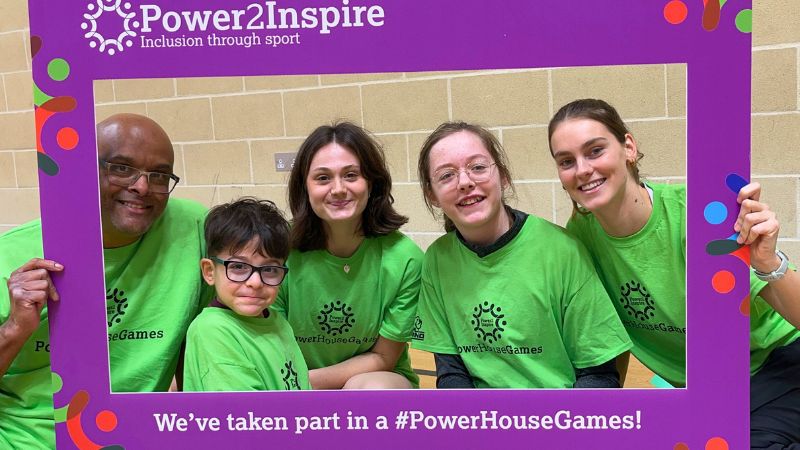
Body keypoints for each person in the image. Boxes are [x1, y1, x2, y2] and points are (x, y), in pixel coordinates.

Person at [548, 99, 800, 444]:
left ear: (628, 148)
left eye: (595, 151)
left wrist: (767, 262)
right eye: (566, 161)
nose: (582, 169)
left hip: (776, 364)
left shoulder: (698, 213)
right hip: (703, 394)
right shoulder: (580, 236)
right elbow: (608, 337)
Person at [0, 113, 212, 448]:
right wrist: (14, 327)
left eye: (159, 175)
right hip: (31, 439)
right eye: (122, 168)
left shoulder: (193, 229)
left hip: (137, 436)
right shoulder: (12, 254)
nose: (142, 187)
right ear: (84, 169)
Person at [411, 121, 632, 389]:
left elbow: (599, 376)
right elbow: (451, 375)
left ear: (503, 176)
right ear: (432, 195)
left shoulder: (563, 250)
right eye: (446, 175)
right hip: (481, 415)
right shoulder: (438, 259)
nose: (465, 182)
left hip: (560, 412)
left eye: (478, 167)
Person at [272, 121, 422, 389]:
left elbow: (383, 357)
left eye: (351, 175)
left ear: (371, 182)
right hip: (290, 380)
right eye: (323, 178)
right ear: (304, 187)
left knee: (370, 391)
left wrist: (304, 384)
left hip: (370, 380)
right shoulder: (278, 249)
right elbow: (272, 345)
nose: (339, 188)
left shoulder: (405, 259)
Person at [183, 197, 309, 392]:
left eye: (270, 269)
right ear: (210, 271)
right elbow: (243, 409)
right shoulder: (213, 330)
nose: (255, 282)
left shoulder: (278, 322)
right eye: (239, 267)